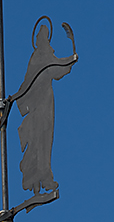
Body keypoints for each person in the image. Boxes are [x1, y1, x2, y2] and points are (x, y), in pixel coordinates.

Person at [12, 21, 76, 194]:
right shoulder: (40, 55)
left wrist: (70, 60)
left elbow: (56, 68)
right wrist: (70, 60)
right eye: (44, 36)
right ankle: (38, 178)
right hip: (39, 105)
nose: (46, 40)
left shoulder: (45, 54)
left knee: (45, 141)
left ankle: (42, 177)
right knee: (39, 141)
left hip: (46, 103)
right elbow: (53, 69)